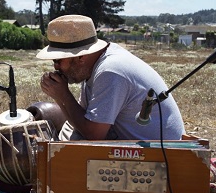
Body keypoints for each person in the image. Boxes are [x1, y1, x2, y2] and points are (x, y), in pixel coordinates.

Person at [36, 14, 185, 141]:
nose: (56, 67)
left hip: (161, 155)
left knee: (72, 143)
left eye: (58, 60)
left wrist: (63, 94)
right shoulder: (91, 65)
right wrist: (59, 96)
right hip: (135, 145)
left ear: (80, 57)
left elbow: (94, 134)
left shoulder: (110, 71)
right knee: (68, 132)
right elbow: (81, 119)